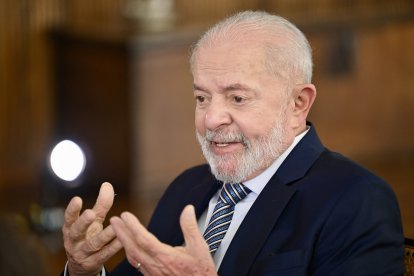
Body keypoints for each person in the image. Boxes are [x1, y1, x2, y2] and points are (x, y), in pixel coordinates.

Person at [62, 10, 405, 275]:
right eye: (201, 98)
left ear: (298, 103)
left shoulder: (355, 199)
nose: (211, 119)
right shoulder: (185, 188)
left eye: (237, 98)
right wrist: (85, 270)